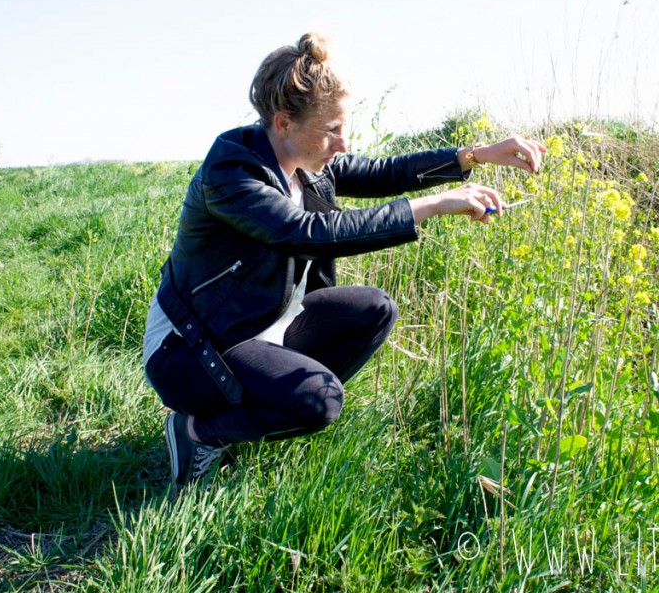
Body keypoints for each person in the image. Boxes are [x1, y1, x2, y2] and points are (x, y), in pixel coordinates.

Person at [143, 33, 546, 492]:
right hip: (193, 348)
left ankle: (253, 412)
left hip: (261, 325)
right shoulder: (231, 174)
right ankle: (198, 432)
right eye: (332, 129)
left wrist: (475, 156)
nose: (342, 142)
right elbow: (309, 233)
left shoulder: (305, 159)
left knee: (375, 309)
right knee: (318, 400)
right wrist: (433, 205)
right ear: (283, 122)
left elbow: (385, 172)